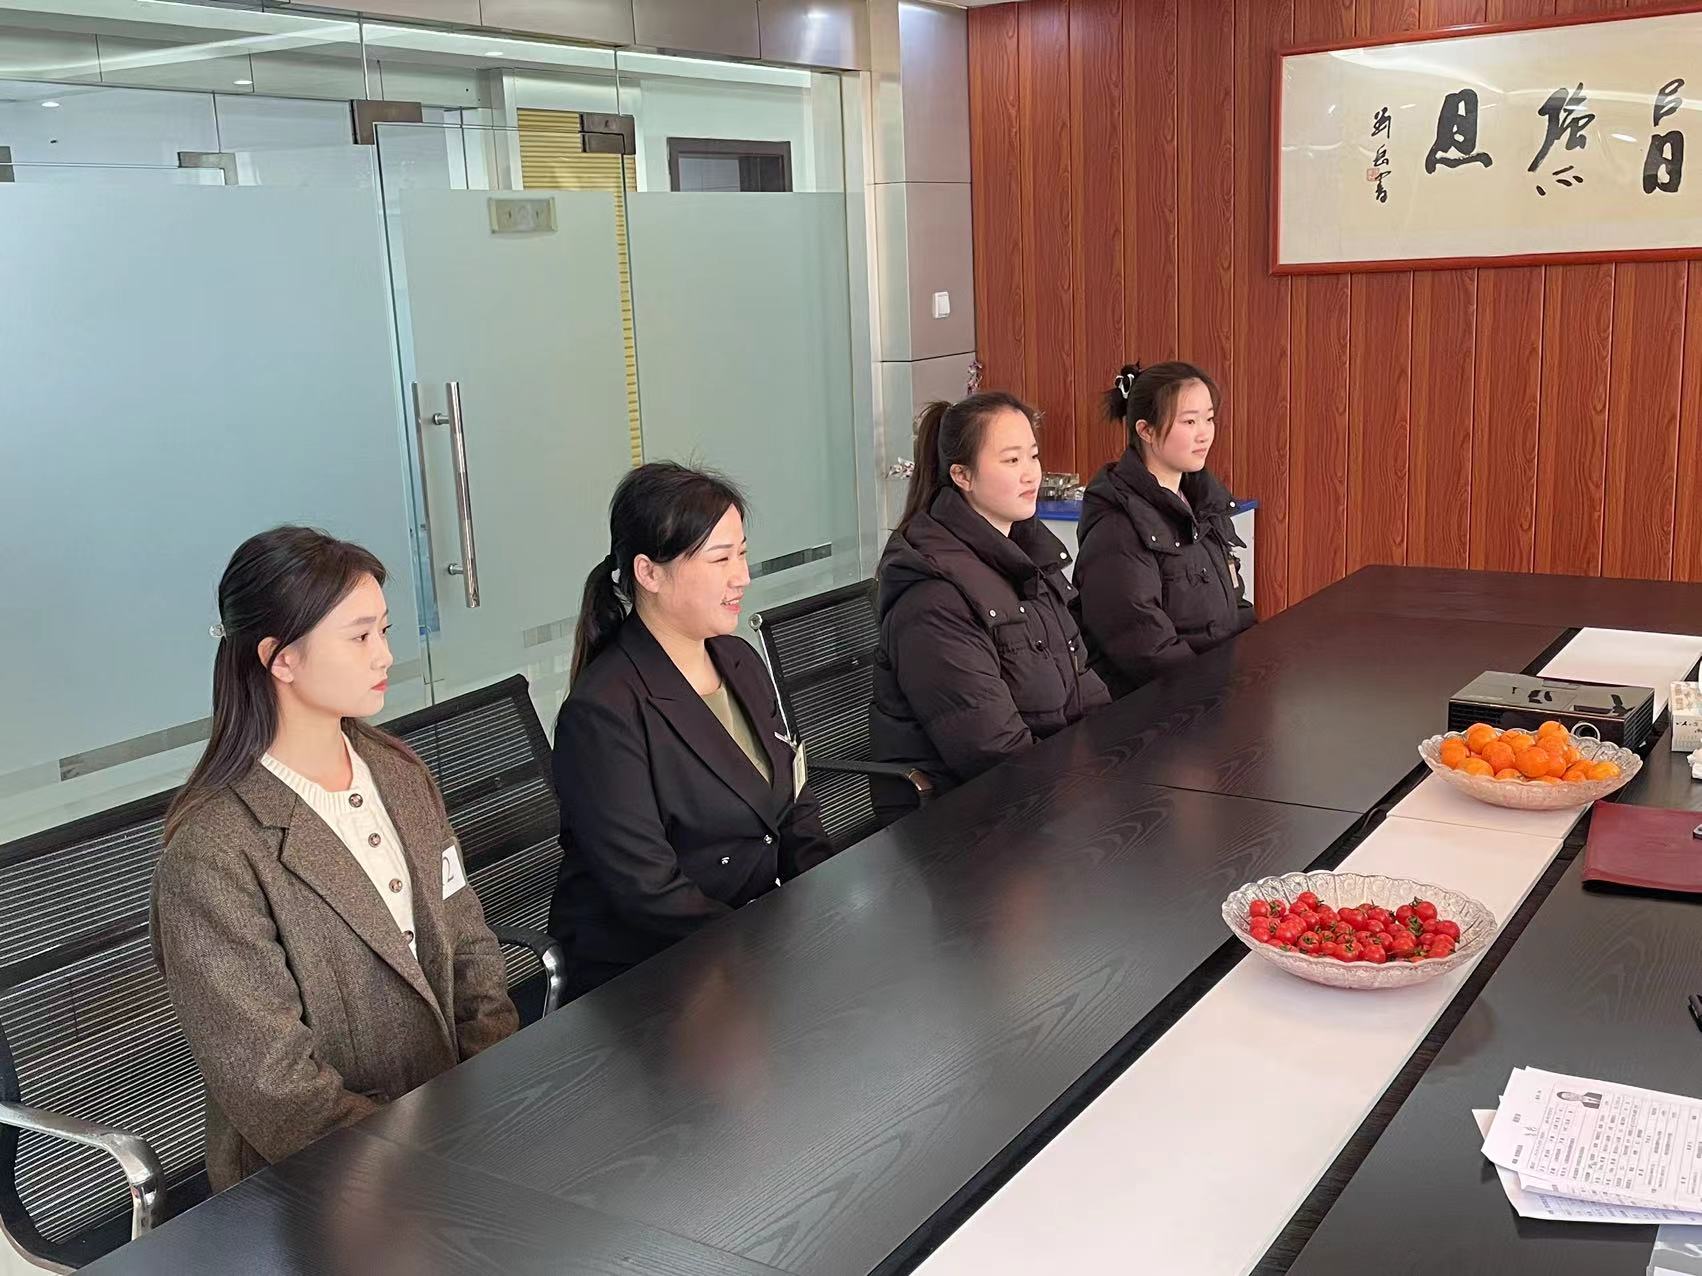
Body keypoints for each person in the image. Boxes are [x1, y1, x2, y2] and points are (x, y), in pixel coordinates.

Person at [152, 526, 517, 1191]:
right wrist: (430, 1159)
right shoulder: (212, 852)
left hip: (455, 1131)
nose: (386, 654)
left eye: (385, 630)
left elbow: (469, 942)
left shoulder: (398, 773)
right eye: (359, 636)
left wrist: (495, 1089)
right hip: (319, 1183)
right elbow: (275, 1087)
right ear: (280, 658)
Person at [550, 462, 834, 998]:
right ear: (649, 573)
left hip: (743, 947)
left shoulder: (738, 660)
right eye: (720, 559)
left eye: (742, 554)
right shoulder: (603, 713)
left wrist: (825, 906)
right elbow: (650, 892)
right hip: (655, 977)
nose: (742, 576)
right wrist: (766, 953)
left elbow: (793, 801)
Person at [868, 392, 1109, 817]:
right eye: (1011, 460)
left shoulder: (1029, 558)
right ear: (962, 475)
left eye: (1033, 456)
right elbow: (993, 753)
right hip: (968, 821)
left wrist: (1118, 764)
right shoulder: (933, 600)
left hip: (1048, 795)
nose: (1031, 473)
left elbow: (1084, 686)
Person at [1072, 361, 1255, 698]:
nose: (1205, 433)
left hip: (1215, 694)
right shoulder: (1117, 526)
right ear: (1145, 430)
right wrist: (1218, 694)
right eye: (1189, 421)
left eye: (1209, 419)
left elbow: (1235, 605)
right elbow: (1144, 645)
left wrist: (1254, 667)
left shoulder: (1204, 502)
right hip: (1162, 708)